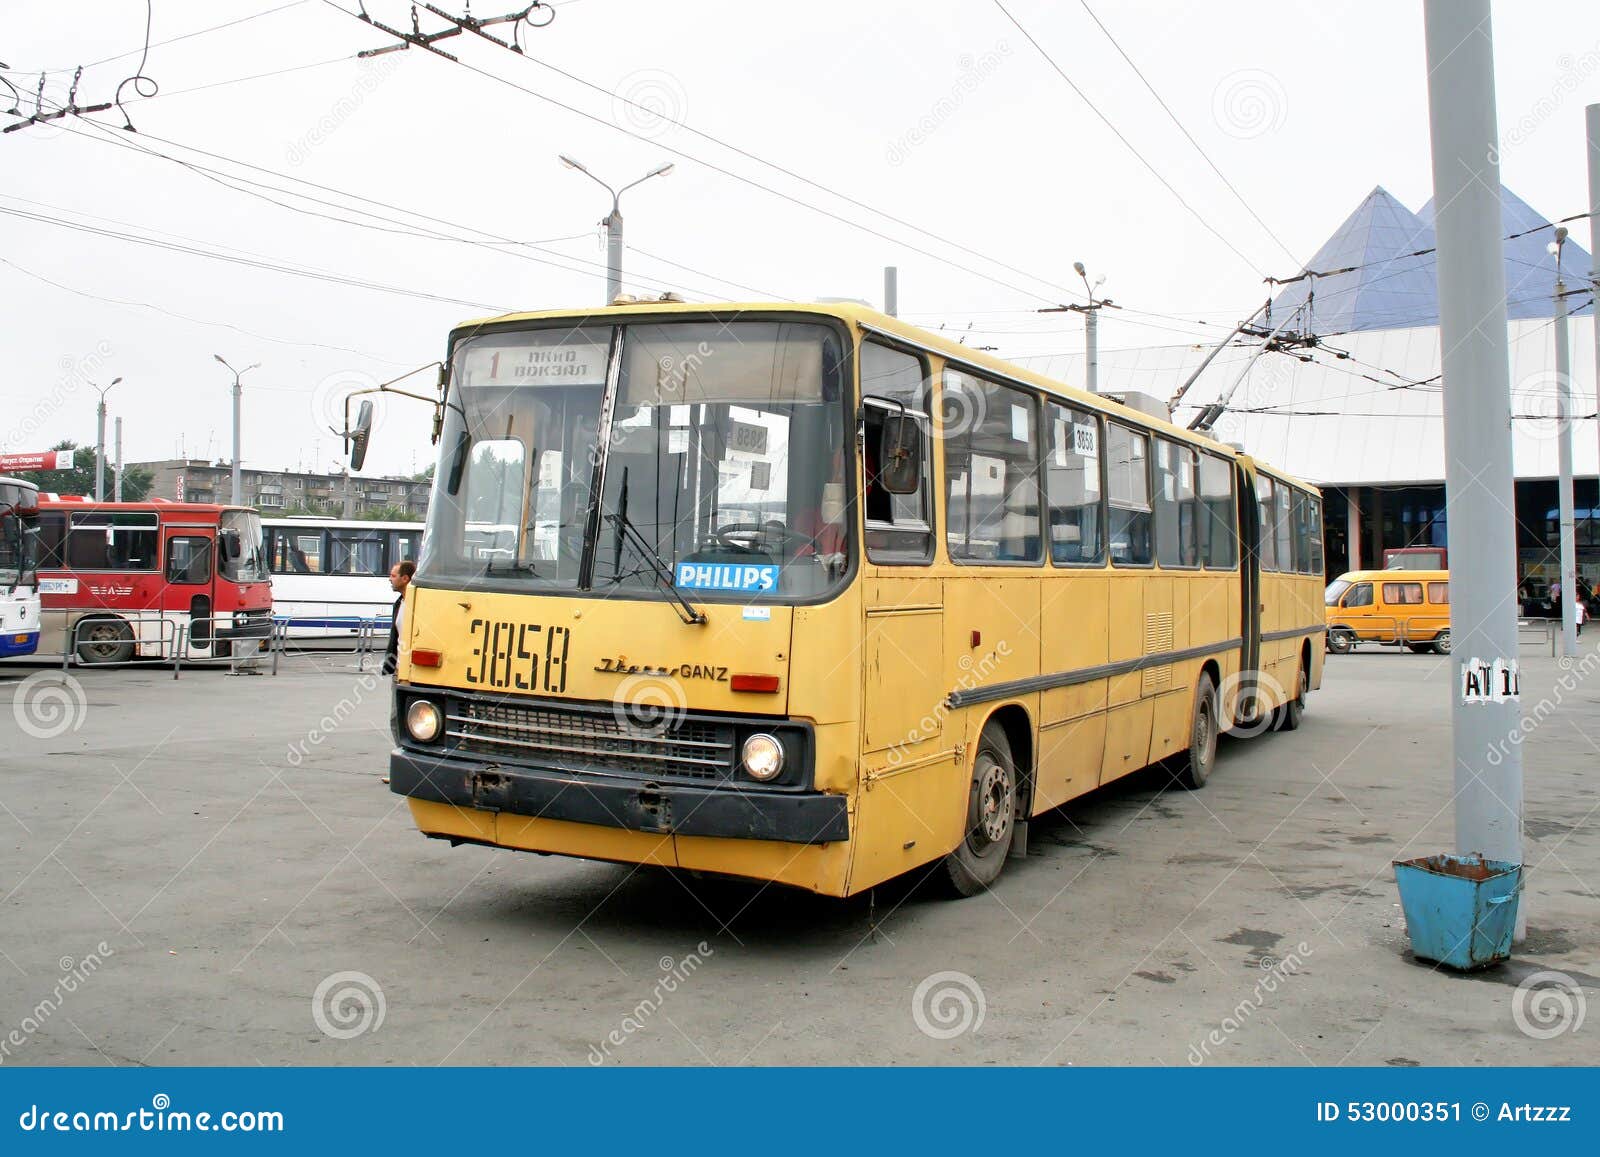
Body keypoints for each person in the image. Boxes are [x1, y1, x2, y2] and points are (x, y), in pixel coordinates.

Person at [383, 560, 415, 676]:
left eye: (393, 576)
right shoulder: (399, 603)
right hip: (399, 670)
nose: (389, 579)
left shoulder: (417, 605)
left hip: (412, 672)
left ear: (405, 579)